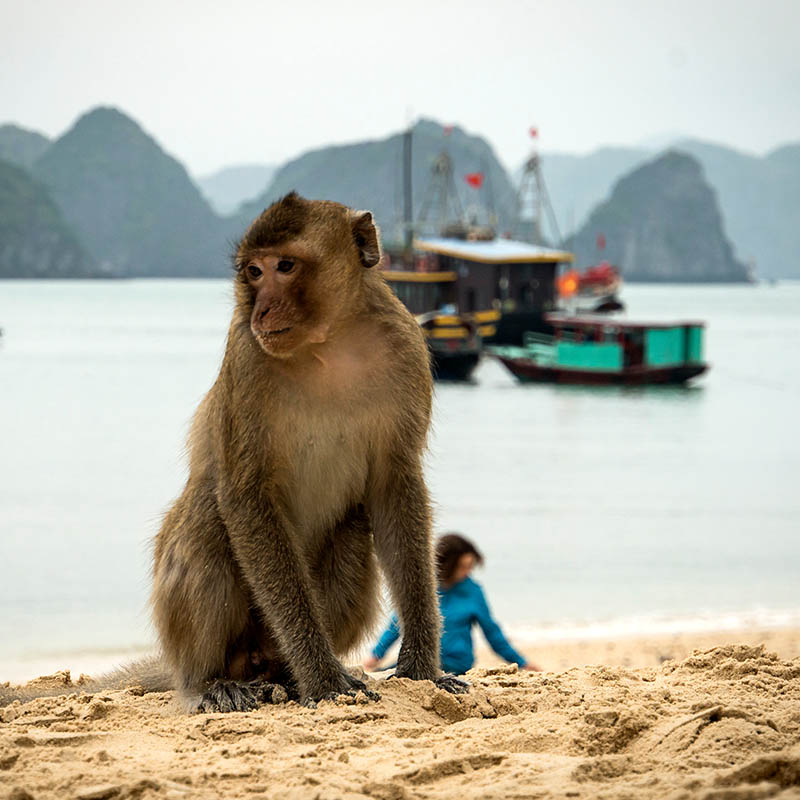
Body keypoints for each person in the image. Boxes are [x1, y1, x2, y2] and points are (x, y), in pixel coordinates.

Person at [364, 533, 540, 674]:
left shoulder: (473, 592)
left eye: (470, 566)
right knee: (382, 676)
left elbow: (492, 633)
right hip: (422, 660)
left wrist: (522, 663)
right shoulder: (424, 588)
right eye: (463, 566)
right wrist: (376, 655)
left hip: (457, 665)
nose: (468, 572)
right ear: (447, 564)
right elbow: (398, 624)